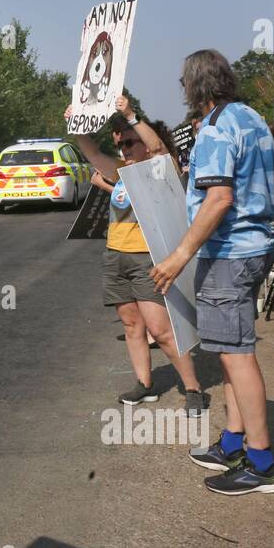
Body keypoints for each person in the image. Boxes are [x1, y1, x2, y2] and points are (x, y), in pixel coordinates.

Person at [149, 49, 274, 495]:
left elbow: (219, 199)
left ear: (193, 86)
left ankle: (263, 462)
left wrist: (178, 256)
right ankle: (232, 441)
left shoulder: (214, 129)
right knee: (230, 349)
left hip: (229, 252)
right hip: (256, 245)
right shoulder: (251, 117)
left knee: (236, 353)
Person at [66, 97, 204, 413]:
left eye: (130, 142)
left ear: (142, 142)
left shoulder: (159, 171)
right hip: (116, 254)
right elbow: (92, 153)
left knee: (160, 329)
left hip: (146, 258)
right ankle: (145, 384)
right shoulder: (121, 171)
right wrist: (76, 126)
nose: (125, 148)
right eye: (122, 144)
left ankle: (193, 388)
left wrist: (130, 115)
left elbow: (157, 150)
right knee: (131, 325)